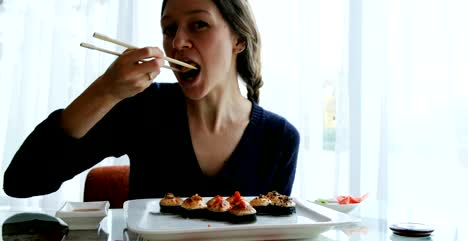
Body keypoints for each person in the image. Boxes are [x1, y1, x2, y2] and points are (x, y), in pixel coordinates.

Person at [3, 0, 300, 199]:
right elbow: (22, 182)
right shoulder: (143, 108)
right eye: (169, 29)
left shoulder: (279, 139)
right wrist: (106, 89)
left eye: (198, 24)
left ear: (239, 40)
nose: (178, 42)